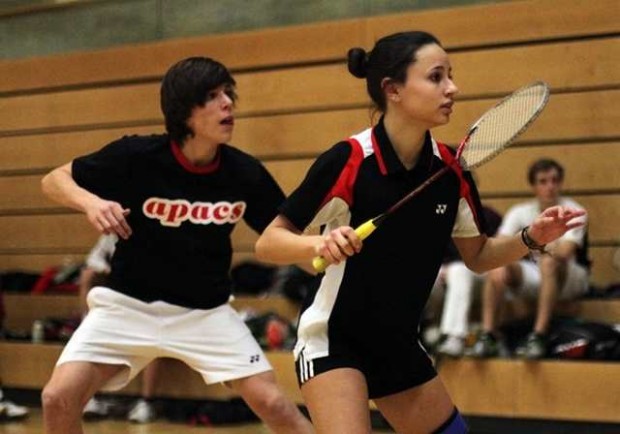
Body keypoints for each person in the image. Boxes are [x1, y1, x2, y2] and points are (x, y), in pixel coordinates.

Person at [254, 31, 586, 434]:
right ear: (392, 89)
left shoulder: (451, 171)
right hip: (334, 343)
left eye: (451, 75)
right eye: (436, 77)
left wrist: (531, 237)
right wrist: (317, 242)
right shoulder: (351, 161)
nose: (452, 88)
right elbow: (269, 241)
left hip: (397, 344)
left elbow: (478, 256)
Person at [40, 56, 314, 434]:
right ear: (184, 111)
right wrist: (91, 202)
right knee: (58, 398)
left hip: (205, 312)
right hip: (126, 308)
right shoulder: (136, 157)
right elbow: (54, 180)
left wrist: (327, 255)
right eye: (213, 96)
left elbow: (285, 240)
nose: (228, 104)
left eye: (228, 94)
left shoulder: (244, 173)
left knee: (274, 403)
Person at [467, 159, 589, 360]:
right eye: (543, 181)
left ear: (560, 183)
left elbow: (565, 252)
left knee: (549, 263)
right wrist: (540, 244)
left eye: (554, 180)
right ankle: (489, 335)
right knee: (498, 266)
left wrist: (525, 243)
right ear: (533, 186)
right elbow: (498, 246)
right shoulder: (520, 212)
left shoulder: (573, 210)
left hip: (570, 277)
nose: (550, 186)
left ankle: (538, 336)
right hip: (536, 271)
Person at [78, 234, 160, 423]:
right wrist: (110, 271)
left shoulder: (155, 234)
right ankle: (92, 398)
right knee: (88, 275)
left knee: (152, 342)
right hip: (117, 299)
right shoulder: (111, 234)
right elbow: (93, 261)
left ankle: (146, 402)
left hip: (151, 303)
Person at [435, 206, 503, 357]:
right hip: (442, 273)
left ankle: (454, 336)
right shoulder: (438, 214)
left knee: (459, 271)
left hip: (479, 273)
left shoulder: (489, 216)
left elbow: (497, 252)